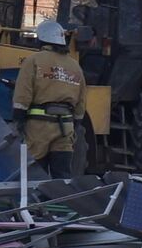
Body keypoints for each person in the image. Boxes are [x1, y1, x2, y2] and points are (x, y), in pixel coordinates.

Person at [12, 18, 86, 180]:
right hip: (65, 129)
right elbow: (81, 103)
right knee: (62, 177)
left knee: (35, 177)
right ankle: (61, 203)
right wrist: (76, 123)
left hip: (39, 128)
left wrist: (18, 119)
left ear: (41, 39)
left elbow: (23, 94)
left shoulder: (33, 61)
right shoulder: (75, 66)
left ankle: (36, 205)